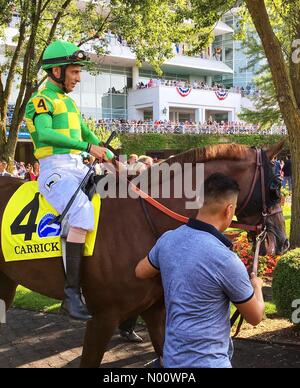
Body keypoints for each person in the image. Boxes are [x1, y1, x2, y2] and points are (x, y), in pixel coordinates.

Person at [135, 173, 264, 368]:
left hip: (172, 361)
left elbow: (140, 271)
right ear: (229, 210)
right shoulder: (226, 260)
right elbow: (255, 317)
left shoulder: (168, 240)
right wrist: (257, 287)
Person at [25, 40, 114, 321]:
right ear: (57, 72)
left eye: (79, 72)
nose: (78, 78)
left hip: (77, 167)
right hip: (55, 170)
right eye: (74, 72)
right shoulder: (41, 99)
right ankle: (71, 295)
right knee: (82, 212)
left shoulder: (69, 103)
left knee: (117, 199)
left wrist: (107, 151)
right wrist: (88, 148)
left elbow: (88, 134)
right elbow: (46, 134)